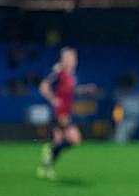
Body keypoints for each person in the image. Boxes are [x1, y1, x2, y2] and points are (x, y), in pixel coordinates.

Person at [37, 47, 96, 179]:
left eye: (74, 58)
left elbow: (71, 91)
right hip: (60, 113)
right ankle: (49, 153)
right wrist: (53, 99)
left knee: (58, 142)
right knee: (75, 139)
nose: (74, 60)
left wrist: (85, 89)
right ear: (64, 59)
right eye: (71, 58)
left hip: (66, 112)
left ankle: (47, 167)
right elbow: (43, 86)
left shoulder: (71, 75)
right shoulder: (59, 72)